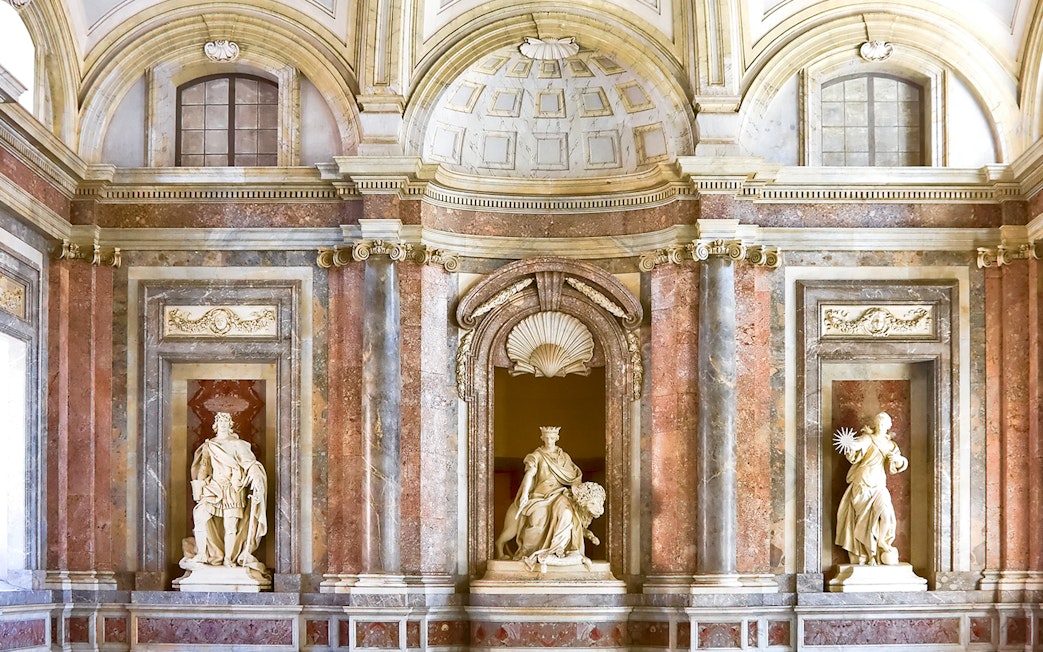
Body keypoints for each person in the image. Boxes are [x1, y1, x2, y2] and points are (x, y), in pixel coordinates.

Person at [494, 426, 605, 571]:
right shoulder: (537, 455)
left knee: (568, 514)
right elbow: (530, 474)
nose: (549, 440)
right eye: (546, 438)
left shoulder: (563, 457)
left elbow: (575, 479)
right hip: (539, 496)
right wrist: (525, 494)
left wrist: (580, 494)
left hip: (559, 494)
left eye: (552, 438)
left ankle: (559, 550)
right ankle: (528, 553)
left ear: (557, 438)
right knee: (537, 517)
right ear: (542, 438)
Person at [186, 412, 268, 574]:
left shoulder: (239, 445)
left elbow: (250, 464)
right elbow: (203, 468)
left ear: (230, 425)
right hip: (214, 487)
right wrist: (199, 488)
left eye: (226, 421)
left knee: (230, 527)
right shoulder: (210, 445)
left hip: (233, 489)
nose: (223, 424)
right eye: (220, 421)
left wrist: (257, 478)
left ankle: (229, 559)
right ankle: (202, 554)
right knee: (200, 517)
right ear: (215, 425)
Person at [834, 411, 908, 566]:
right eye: (878, 423)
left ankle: (882, 540)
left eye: (884, 424)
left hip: (879, 484)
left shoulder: (890, 445)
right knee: (864, 521)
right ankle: (869, 555)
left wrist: (899, 459)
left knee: (886, 513)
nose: (881, 426)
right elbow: (856, 446)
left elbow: (901, 462)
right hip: (863, 483)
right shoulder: (867, 438)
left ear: (888, 426)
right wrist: (848, 444)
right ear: (875, 424)